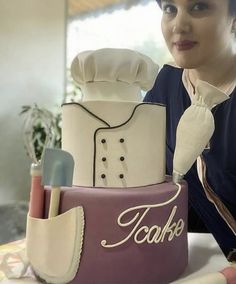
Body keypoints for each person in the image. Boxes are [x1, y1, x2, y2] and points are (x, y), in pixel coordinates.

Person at [144, 0, 236, 260]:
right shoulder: (163, 88)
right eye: (170, 9)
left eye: (199, 7)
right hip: (194, 263)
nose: (179, 25)